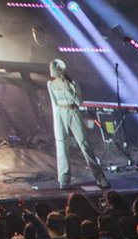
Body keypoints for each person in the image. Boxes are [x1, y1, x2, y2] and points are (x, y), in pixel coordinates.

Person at [46, 58, 109, 190]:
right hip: (60, 114)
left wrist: (68, 86)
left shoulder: (72, 83)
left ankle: (99, 176)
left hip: (73, 112)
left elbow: (79, 102)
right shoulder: (50, 84)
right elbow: (54, 104)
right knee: (61, 145)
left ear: (60, 69)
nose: (52, 70)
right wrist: (56, 122)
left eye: (54, 68)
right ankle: (64, 179)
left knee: (84, 143)